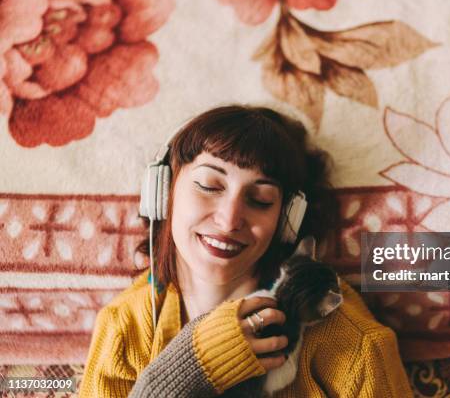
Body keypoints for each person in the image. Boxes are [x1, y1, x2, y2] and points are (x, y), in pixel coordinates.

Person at [79, 105, 413, 397]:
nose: (228, 221)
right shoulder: (125, 327)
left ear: (286, 221)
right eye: (210, 186)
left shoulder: (353, 343)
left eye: (260, 200)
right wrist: (183, 372)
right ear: (163, 192)